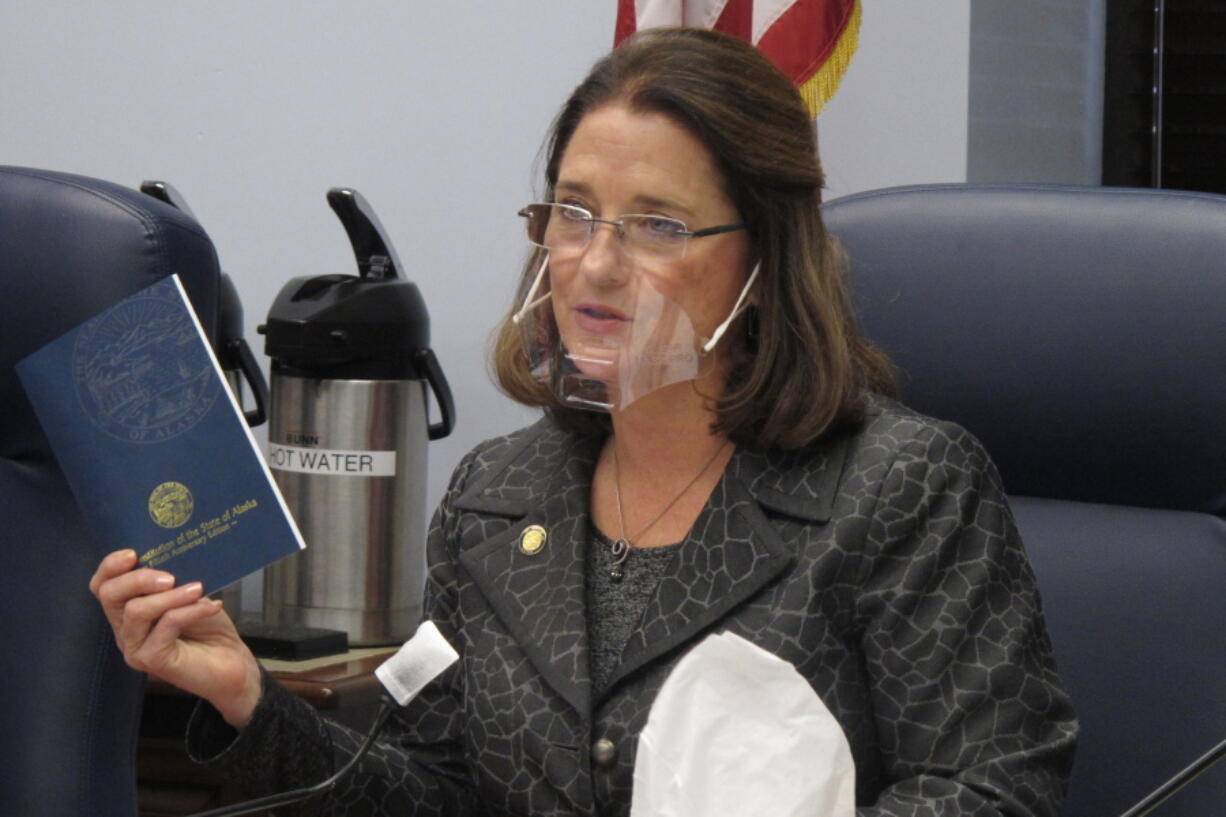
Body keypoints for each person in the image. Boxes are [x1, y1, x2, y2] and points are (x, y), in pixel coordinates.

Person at [91, 27, 1077, 817]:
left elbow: (991, 791)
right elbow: (434, 793)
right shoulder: (496, 496)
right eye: (572, 213)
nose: (597, 265)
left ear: (765, 255)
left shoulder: (902, 487)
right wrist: (245, 695)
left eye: (657, 224)